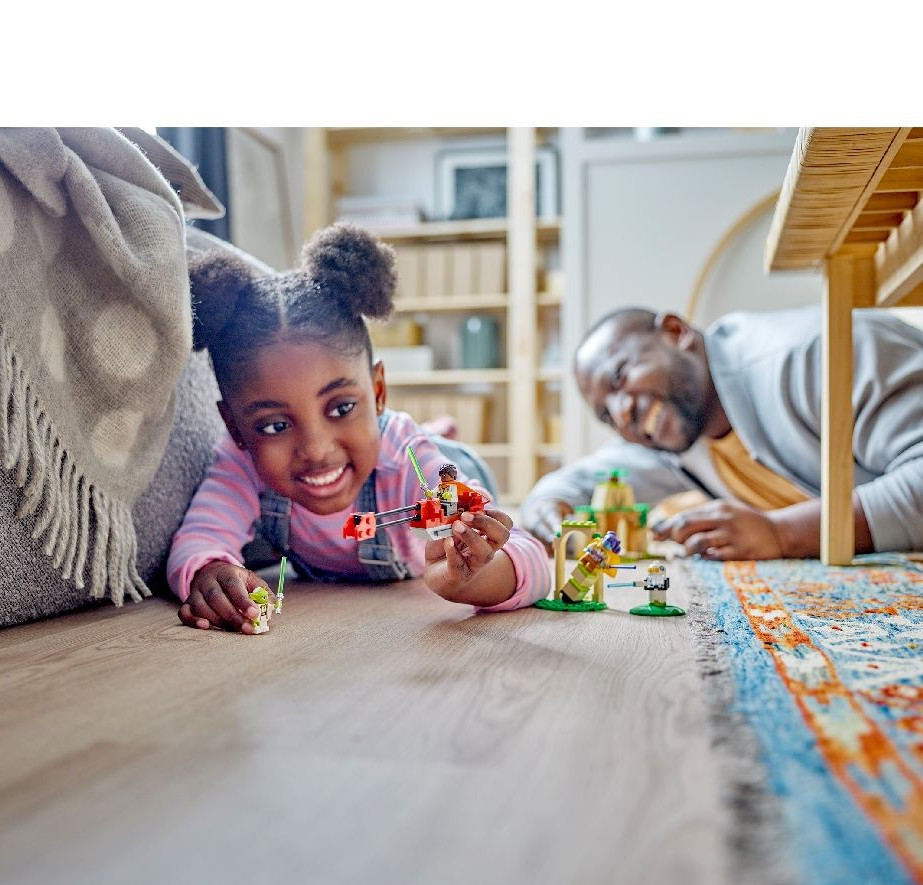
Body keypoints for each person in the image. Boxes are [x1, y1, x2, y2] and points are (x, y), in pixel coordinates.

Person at [168, 223, 550, 633]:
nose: (316, 449)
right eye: (275, 425)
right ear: (235, 427)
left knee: (441, 461)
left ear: (378, 390)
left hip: (437, 464)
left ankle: (440, 434)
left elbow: (535, 563)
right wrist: (211, 572)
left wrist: (472, 578)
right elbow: (200, 539)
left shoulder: (407, 457)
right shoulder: (241, 460)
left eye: (342, 407)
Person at [521, 306, 923, 560]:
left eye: (619, 376)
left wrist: (782, 534)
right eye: (605, 416)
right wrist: (546, 511)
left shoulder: (821, 355)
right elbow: (568, 486)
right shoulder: (673, 437)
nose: (621, 415)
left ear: (676, 332)